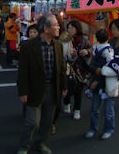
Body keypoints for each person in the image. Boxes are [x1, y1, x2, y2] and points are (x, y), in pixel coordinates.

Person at [17, 14, 67, 154]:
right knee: (32, 122)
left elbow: (61, 68)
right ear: (46, 28)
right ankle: (24, 146)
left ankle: (40, 144)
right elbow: (23, 71)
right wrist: (23, 91)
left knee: (47, 121)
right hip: (35, 88)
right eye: (56, 25)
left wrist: (63, 86)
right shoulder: (28, 46)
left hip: (52, 87)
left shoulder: (57, 46)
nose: (58, 27)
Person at [85, 18, 119, 141]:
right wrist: (96, 70)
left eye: (115, 29)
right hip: (100, 77)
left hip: (112, 80)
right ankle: (92, 128)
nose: (113, 31)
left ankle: (108, 129)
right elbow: (94, 60)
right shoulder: (107, 42)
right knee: (95, 108)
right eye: (111, 29)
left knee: (108, 109)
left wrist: (103, 69)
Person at [62, 20, 91, 121]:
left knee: (78, 89)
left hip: (79, 68)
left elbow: (90, 49)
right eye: (68, 28)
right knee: (66, 85)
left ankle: (77, 109)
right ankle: (67, 103)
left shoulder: (83, 39)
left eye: (72, 28)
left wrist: (86, 51)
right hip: (67, 67)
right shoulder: (64, 38)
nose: (70, 30)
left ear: (77, 28)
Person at [84, 29, 114, 99]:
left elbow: (93, 54)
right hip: (102, 67)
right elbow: (110, 59)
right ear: (108, 37)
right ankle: (90, 90)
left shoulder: (96, 46)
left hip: (95, 64)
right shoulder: (107, 49)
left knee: (93, 76)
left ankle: (87, 78)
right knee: (98, 80)